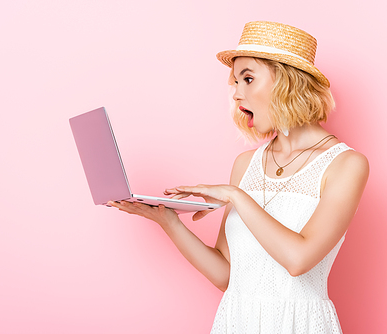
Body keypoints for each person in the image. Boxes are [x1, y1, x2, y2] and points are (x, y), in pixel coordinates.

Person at [109, 21, 369, 333]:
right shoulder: (246, 163)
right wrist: (169, 222)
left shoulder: (346, 164)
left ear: (287, 82)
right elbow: (227, 275)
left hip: (299, 325)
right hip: (237, 323)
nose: (236, 94)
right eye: (235, 82)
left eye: (247, 79)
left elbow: (298, 259)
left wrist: (236, 196)